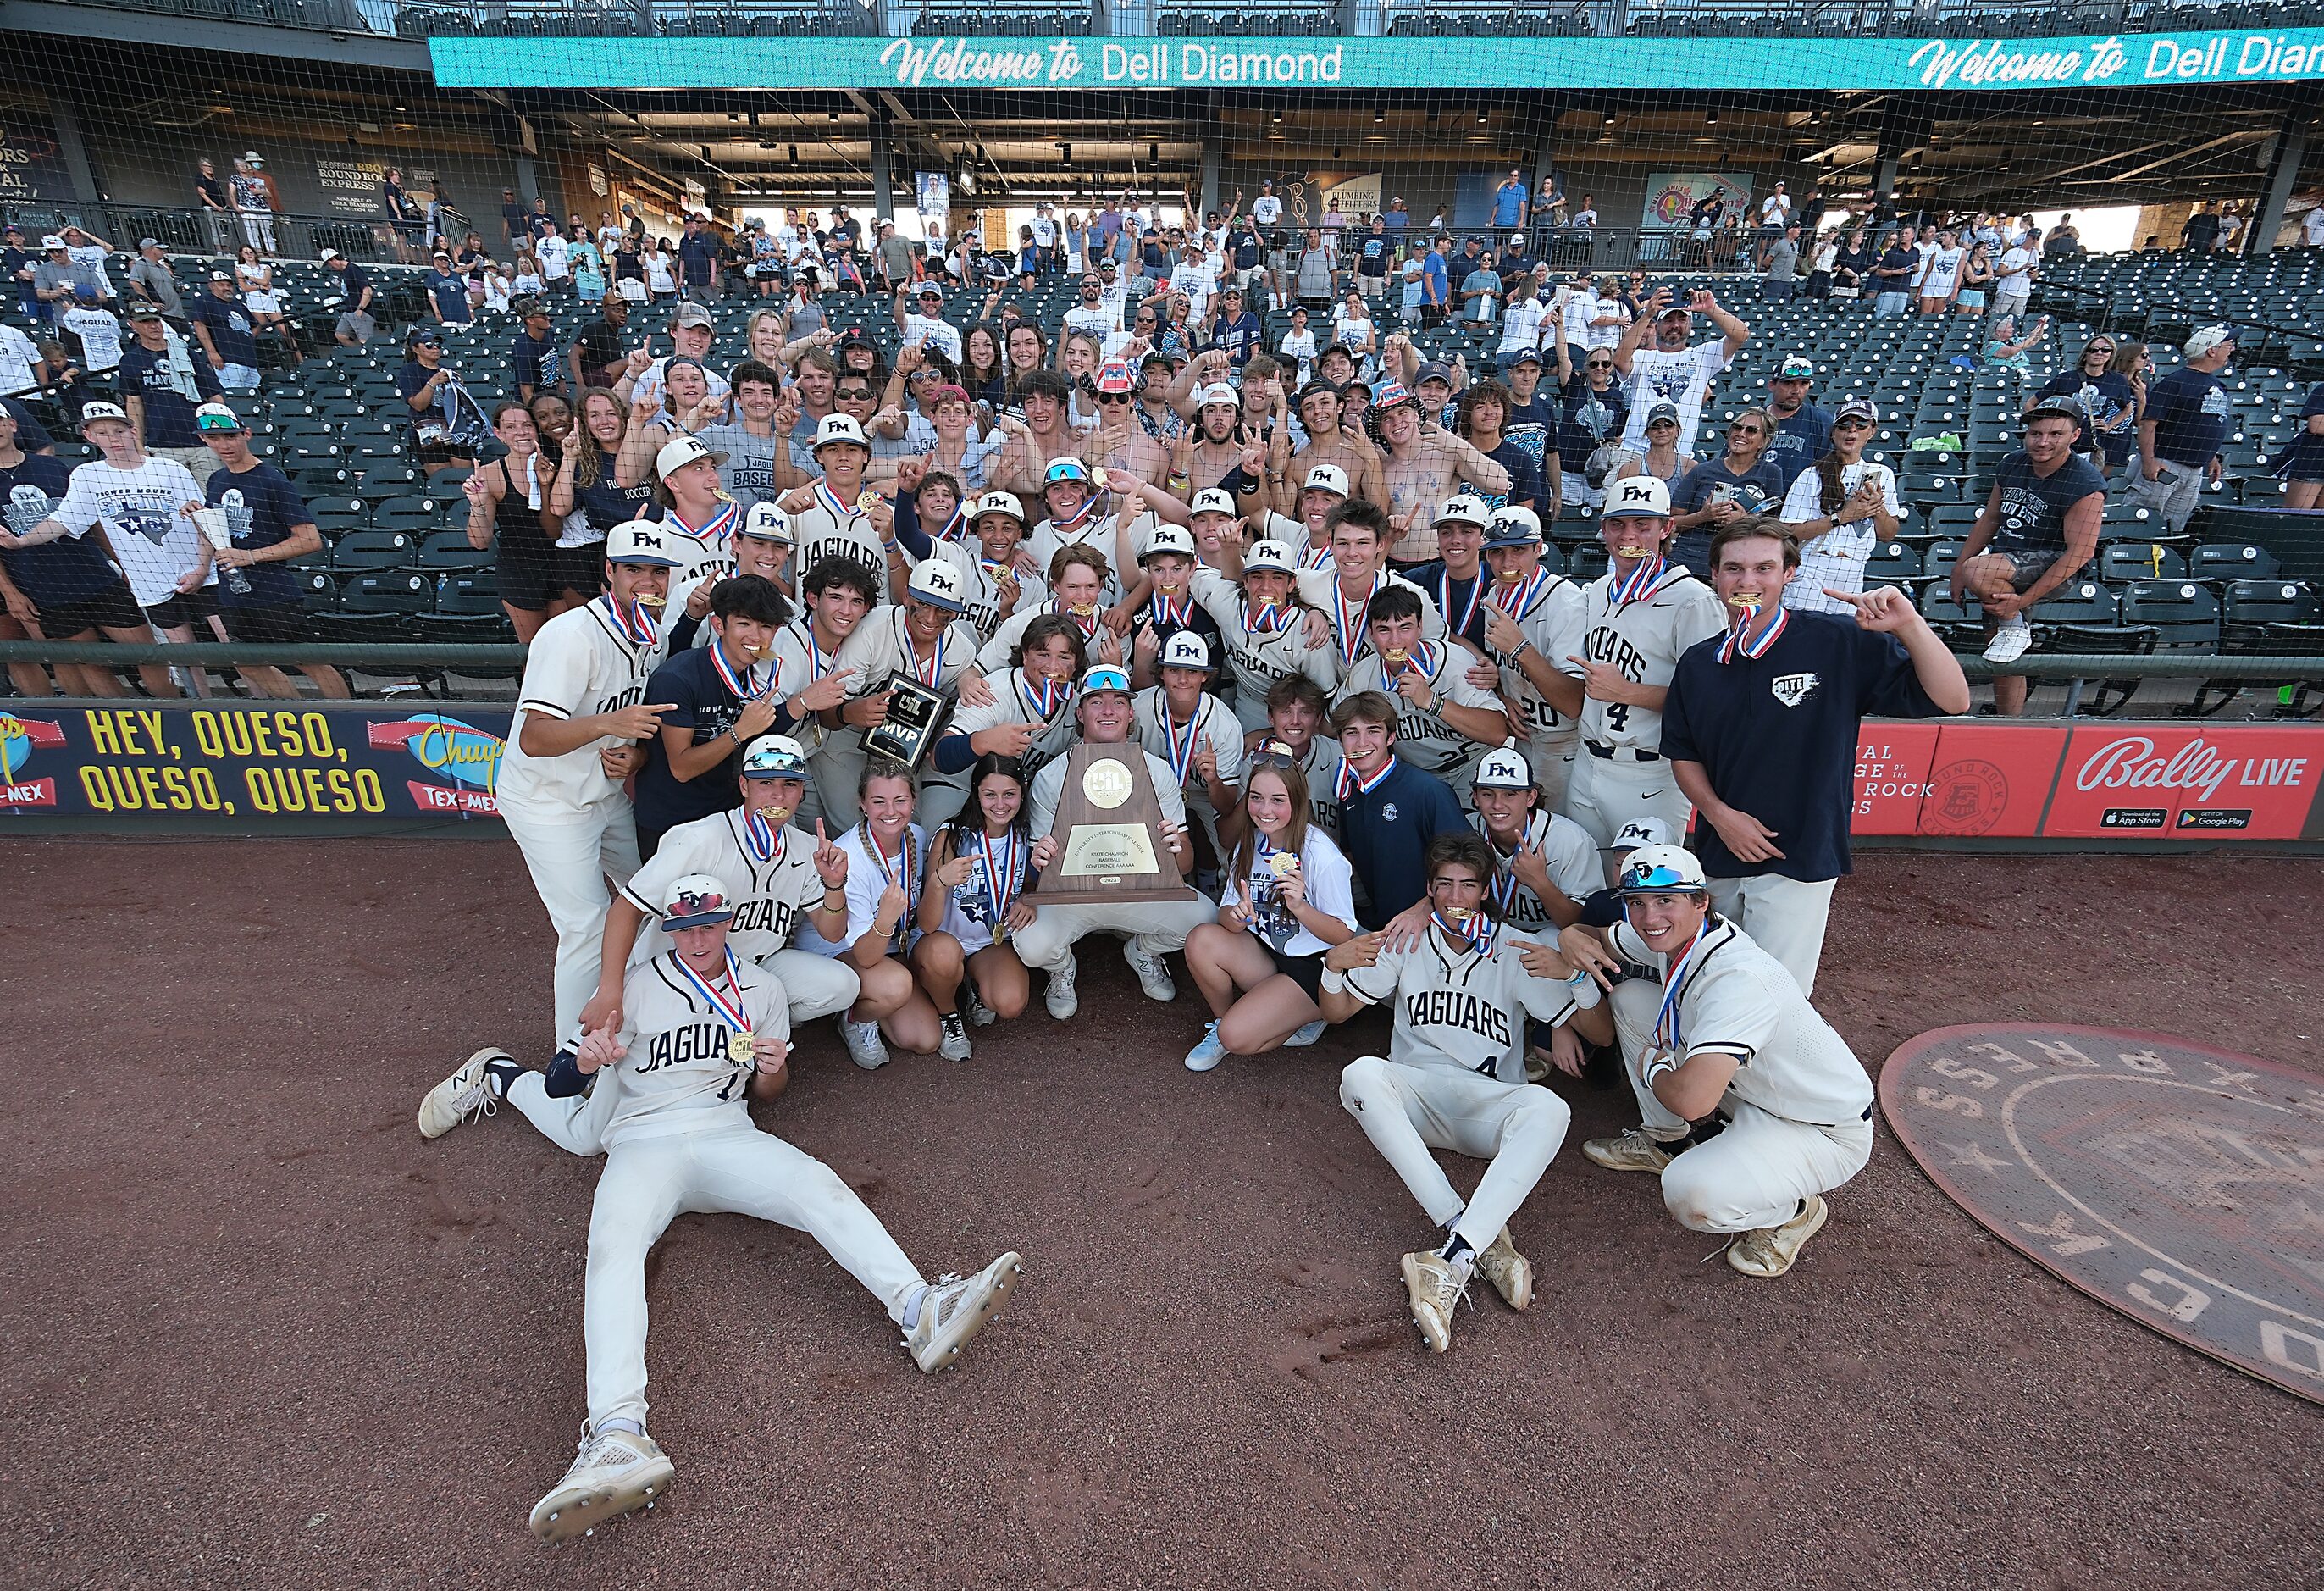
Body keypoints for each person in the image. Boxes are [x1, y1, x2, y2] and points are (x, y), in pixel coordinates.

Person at [414, 869, 1021, 1543]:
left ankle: (919, 1306)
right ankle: (617, 1433)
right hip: (641, 1140)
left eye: (708, 923)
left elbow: (771, 1092)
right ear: (667, 929)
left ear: (728, 921)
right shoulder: (635, 985)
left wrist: (771, 1069)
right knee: (612, 1245)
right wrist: (586, 1060)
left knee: (814, 1182)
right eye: (683, 926)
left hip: (726, 1131)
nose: (697, 937)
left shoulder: (760, 989)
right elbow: (563, 1080)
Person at [1320, 830, 1609, 1351]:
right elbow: (1336, 1013)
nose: (1456, 898)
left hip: (1487, 1108)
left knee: (1550, 1108)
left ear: (1486, 890)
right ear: (1429, 890)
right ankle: (1475, 1239)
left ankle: (1451, 1258)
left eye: (1468, 886)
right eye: (1445, 885)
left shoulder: (1517, 950)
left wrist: (1575, 978)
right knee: (1360, 1074)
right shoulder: (1404, 941)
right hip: (1419, 1102)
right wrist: (1333, 966)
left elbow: (1603, 1035)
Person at [1665, 521, 1967, 994]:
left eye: (1764, 568)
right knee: (1714, 983)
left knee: (1774, 995)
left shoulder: (1837, 640)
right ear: (1714, 577)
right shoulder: (1699, 662)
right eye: (1734, 569)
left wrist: (1910, 625)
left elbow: (1954, 700)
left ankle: (1756, 1071)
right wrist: (1721, 816)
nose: (1748, 582)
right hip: (1720, 850)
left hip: (1800, 853)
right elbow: (1684, 755)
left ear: (1789, 573)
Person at [1553, 845, 1876, 1281]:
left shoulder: (1738, 978)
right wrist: (1569, 936)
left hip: (1818, 1127)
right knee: (1631, 998)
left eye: (1666, 900)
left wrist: (1655, 1067)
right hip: (1753, 1093)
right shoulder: (1674, 933)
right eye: (1636, 902)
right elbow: (1591, 934)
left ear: (1701, 901)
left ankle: (1794, 1209)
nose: (1650, 918)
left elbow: (1692, 1101)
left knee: (1692, 1194)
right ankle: (1664, 1141)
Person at [494, 521, 689, 1044]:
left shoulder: (652, 632)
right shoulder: (569, 636)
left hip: (600, 796)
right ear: (609, 572)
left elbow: (629, 729)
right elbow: (534, 737)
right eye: (634, 570)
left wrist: (633, 754)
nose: (647, 581)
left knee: (653, 896)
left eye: (658, 571)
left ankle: (642, 1008)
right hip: (546, 801)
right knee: (586, 925)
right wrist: (608, 726)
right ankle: (574, 1055)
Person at [1012, 662, 1217, 1018]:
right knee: (1032, 944)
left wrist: (1174, 846)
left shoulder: (1157, 770)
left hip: (1142, 891)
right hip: (1072, 896)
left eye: (1118, 702)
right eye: (1096, 702)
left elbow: (1184, 866)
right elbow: (1040, 870)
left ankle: (1143, 950)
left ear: (1131, 712)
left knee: (1206, 919)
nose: (1108, 711)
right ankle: (1060, 967)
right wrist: (1040, 858)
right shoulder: (1052, 776)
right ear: (1080, 712)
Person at [1552, 474, 1726, 849]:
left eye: (1642, 525)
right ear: (1603, 529)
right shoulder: (1598, 591)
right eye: (1618, 524)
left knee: (1648, 895)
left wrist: (1627, 692)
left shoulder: (1693, 601)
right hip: (1587, 762)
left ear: (1666, 528)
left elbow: (1709, 703)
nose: (1628, 536)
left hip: (1649, 772)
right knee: (1588, 889)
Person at [0, 403, 165, 699]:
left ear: (13, 425)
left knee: (146, 653)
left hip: (94, 574)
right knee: (88, 663)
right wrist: (11, 593)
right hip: (41, 586)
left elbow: (93, 521)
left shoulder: (53, 467)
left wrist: (122, 562)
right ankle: (125, 724)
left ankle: (175, 713)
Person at [1950, 400, 2105, 712]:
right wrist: (1957, 570)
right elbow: (1991, 518)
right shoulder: (2013, 463)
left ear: (2074, 436)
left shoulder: (2086, 482)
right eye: (2036, 433)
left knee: (1979, 572)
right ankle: (2009, 722)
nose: (2043, 441)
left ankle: (2015, 623)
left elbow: (2081, 553)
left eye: (2055, 434)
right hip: (2005, 565)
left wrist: (2019, 604)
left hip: (2055, 566)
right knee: (2001, 651)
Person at [631, 574, 795, 858]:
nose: (756, 637)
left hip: (726, 816)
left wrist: (804, 703)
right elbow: (681, 768)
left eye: (765, 626)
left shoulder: (759, 674)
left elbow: (757, 731)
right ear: (718, 624)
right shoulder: (677, 677)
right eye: (744, 623)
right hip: (672, 821)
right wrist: (740, 732)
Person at [194, 402, 347, 701]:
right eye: (214, 438)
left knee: (309, 662)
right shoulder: (216, 480)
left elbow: (310, 540)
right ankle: (298, 717)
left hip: (274, 592)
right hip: (232, 592)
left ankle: (350, 718)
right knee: (248, 665)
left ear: (246, 434)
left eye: (230, 436)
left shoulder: (271, 480)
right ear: (204, 440)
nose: (223, 445)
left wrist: (250, 556)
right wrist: (199, 516)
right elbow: (220, 536)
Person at [910, 753, 1039, 1061]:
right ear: (976, 793)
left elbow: (1032, 883)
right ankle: (949, 1014)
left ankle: (974, 987)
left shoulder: (1025, 835)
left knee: (1010, 1003)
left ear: (1022, 792)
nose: (1000, 804)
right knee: (943, 956)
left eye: (1009, 794)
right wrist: (939, 881)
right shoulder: (952, 836)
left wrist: (1029, 898)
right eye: (989, 794)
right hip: (940, 939)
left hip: (990, 941)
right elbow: (927, 925)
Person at [1478, 505, 1585, 811]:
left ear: (1540, 548)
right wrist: (1502, 696)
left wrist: (1520, 649)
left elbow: (1572, 703)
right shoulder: (1496, 596)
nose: (1508, 562)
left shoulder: (1566, 602)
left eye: (1519, 549)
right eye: (1497, 552)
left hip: (1563, 746)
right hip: (1523, 740)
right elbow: (1503, 669)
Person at [1779, 399, 1900, 613]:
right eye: (1844, 425)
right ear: (1834, 433)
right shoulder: (1811, 474)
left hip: (1852, 570)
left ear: (1872, 431)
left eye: (1860, 425)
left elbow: (1888, 534)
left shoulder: (1882, 474)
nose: (1851, 431)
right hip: (1812, 565)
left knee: (1842, 637)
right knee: (1802, 634)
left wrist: (1876, 507)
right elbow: (1788, 532)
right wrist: (1843, 516)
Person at [1613, 287, 1747, 459]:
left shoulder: (1702, 355)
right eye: (1668, 320)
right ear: (1657, 326)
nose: (1675, 326)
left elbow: (1741, 335)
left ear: (1690, 325)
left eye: (1682, 320)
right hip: (1634, 452)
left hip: (1678, 456)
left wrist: (1711, 309)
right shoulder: (1642, 356)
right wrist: (1647, 315)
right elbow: (1618, 360)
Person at [2130, 325, 2235, 535]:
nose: (2232, 349)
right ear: (2211, 350)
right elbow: (2147, 424)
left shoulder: (2218, 384)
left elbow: (2206, 421)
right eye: (2227, 345)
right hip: (2165, 464)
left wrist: (2211, 457)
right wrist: (2149, 461)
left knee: (2174, 530)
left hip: (2195, 470)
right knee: (2141, 524)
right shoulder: (2174, 382)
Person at [1668, 406, 1784, 575]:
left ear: (1764, 441)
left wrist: (1745, 521)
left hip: (1741, 564)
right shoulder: (1702, 470)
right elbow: (1671, 523)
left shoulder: (1771, 473)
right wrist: (1703, 516)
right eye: (1737, 427)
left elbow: (1776, 529)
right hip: (1690, 560)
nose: (1741, 434)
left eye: (1751, 430)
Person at [2035, 334, 2139, 474]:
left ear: (2111, 355)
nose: (2100, 353)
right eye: (2094, 350)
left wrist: (2110, 425)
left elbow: (2128, 409)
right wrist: (2046, 428)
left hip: (2094, 445)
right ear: (2085, 354)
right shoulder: (2066, 378)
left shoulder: (2117, 381)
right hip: (2063, 444)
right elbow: (2031, 404)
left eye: (2106, 350)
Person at [188, 272, 263, 397]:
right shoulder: (205, 301)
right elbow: (199, 324)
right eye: (221, 284)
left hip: (250, 362)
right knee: (232, 399)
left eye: (228, 285)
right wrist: (212, 352)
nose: (226, 288)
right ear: (212, 286)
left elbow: (257, 325)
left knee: (252, 401)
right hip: (227, 362)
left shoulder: (238, 305)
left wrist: (248, 338)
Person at [2277, 380, 2324, 511]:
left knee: (2319, 526)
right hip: (2312, 465)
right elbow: (2316, 425)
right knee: (2295, 519)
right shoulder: (2322, 389)